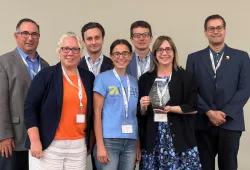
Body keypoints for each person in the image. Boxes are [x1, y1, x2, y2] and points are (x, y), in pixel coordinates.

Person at [186, 14, 250, 170]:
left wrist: (224, 114)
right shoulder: (194, 58)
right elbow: (190, 90)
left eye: (219, 27)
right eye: (211, 28)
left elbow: (245, 88)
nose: (215, 31)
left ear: (225, 30)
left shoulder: (241, 57)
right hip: (202, 123)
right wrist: (208, 112)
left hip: (230, 123)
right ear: (205, 32)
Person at [24, 32, 95, 170]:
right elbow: (30, 108)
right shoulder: (46, 75)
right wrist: (35, 140)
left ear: (80, 53)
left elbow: (92, 112)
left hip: (78, 146)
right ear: (59, 51)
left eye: (75, 49)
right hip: (49, 145)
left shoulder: (88, 78)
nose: (70, 53)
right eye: (65, 48)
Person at [138, 36, 202, 170]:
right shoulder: (145, 79)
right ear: (155, 53)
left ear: (174, 52)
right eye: (160, 50)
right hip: (153, 140)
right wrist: (143, 106)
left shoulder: (186, 77)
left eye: (168, 49)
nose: (164, 53)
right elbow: (141, 115)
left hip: (181, 139)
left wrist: (171, 109)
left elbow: (194, 107)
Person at [0, 18, 49, 170]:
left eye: (34, 34)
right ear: (16, 36)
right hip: (14, 137)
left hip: (41, 137)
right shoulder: (4, 62)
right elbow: (1, 101)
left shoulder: (45, 66)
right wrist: (4, 135)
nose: (30, 38)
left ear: (39, 37)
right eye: (25, 33)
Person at [93, 39, 139, 170]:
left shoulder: (134, 81)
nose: (121, 57)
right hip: (109, 141)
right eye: (117, 54)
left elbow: (134, 115)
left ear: (130, 56)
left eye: (125, 53)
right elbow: (97, 113)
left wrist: (137, 145)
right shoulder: (102, 78)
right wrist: (100, 145)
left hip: (130, 142)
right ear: (112, 56)